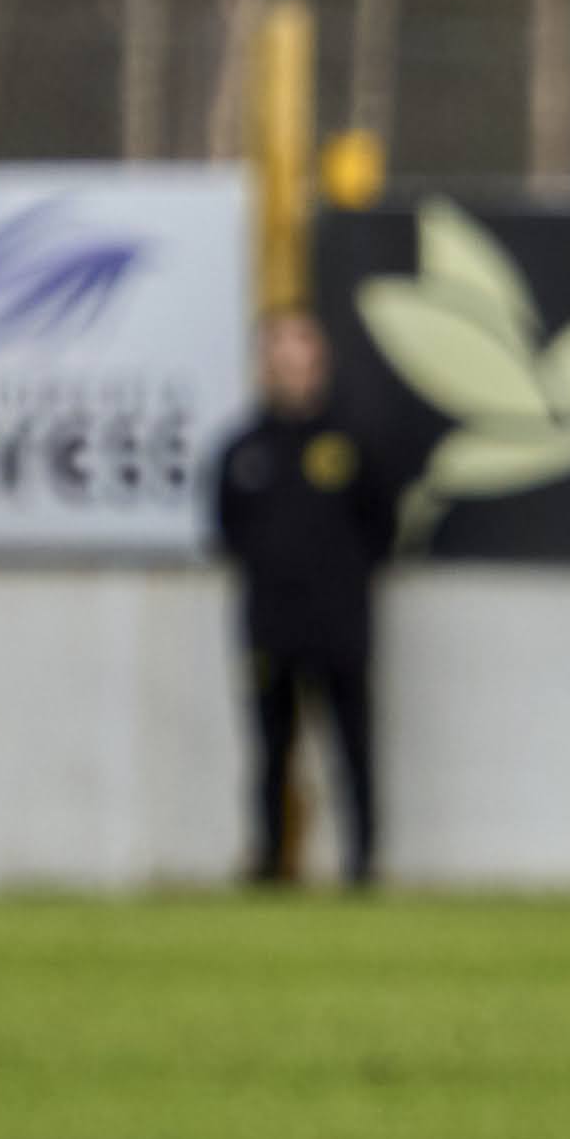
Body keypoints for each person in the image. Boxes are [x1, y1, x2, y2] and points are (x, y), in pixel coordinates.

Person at [212, 305, 402, 886]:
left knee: (352, 750)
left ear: (319, 360)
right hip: (271, 626)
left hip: (341, 626)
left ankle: (362, 867)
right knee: (272, 753)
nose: (290, 365)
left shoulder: (352, 443)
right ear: (264, 365)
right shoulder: (243, 449)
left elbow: (382, 530)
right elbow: (227, 533)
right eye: (278, 353)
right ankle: (272, 865)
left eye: (300, 351)